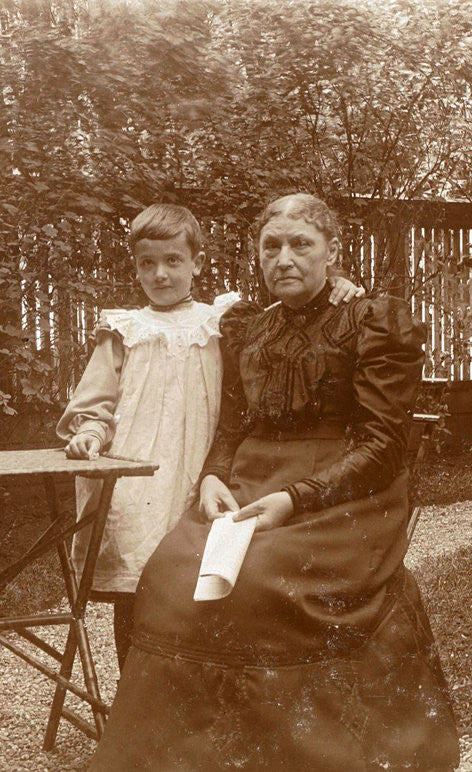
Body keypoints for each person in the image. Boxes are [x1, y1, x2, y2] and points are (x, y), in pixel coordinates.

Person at [89, 194, 461, 770]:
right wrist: (214, 474)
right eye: (271, 246)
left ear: (332, 252)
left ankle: (293, 754)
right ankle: (193, 755)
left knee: (260, 577)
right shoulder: (249, 328)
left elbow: (384, 446)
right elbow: (235, 420)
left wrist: (294, 500)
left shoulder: (373, 321)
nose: (284, 258)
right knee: (170, 571)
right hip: (250, 480)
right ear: (257, 257)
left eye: (301, 245)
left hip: (346, 489)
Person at [57, 203, 364, 670]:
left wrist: (341, 283)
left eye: (173, 261)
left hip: (202, 466)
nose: (160, 274)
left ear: (197, 263)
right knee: (137, 581)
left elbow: (292, 318)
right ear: (135, 266)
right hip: (139, 473)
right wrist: (92, 432)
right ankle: (134, 696)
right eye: (147, 263)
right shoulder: (123, 329)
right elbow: (94, 401)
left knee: (197, 577)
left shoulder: (222, 320)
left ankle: (189, 691)